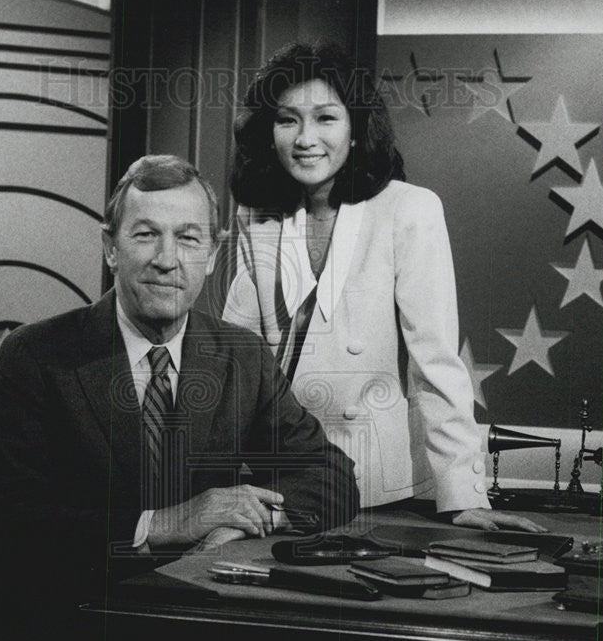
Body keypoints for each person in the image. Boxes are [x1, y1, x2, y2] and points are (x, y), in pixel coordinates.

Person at [0, 153, 359, 641]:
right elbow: (3, 526)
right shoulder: (40, 357)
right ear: (109, 244)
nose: (165, 260)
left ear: (212, 255)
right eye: (145, 235)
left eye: (187, 238)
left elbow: (330, 474)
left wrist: (248, 520)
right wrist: (162, 523)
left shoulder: (238, 357)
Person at [223, 41, 544, 533]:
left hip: (374, 484)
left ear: (355, 130)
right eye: (288, 120)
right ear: (269, 134)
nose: (306, 138)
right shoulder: (257, 217)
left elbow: (435, 360)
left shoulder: (408, 209)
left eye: (326, 118)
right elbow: (234, 357)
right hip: (277, 477)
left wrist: (463, 495)